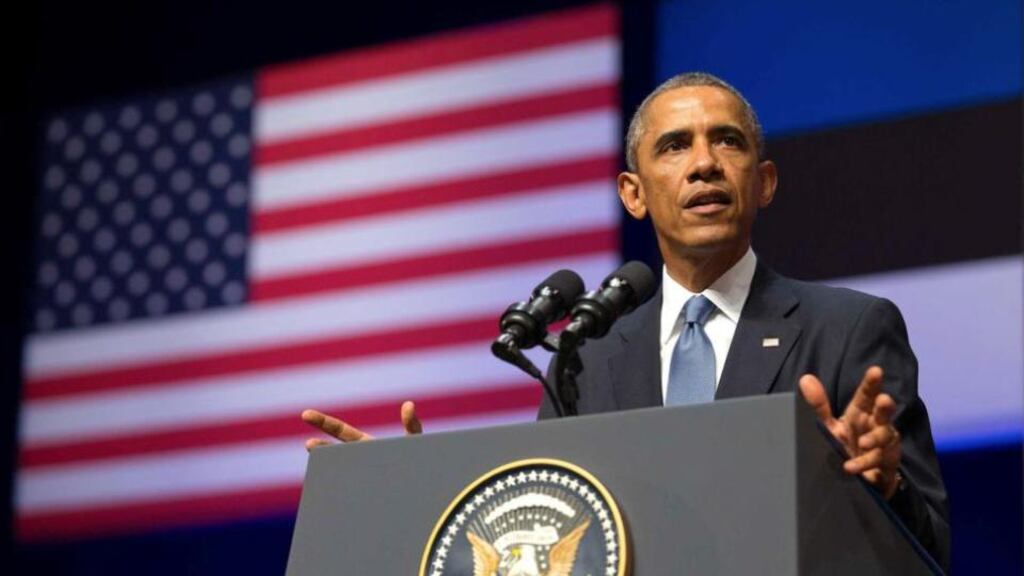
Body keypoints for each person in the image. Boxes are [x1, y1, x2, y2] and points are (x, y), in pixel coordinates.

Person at [301, 72, 950, 570]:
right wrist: (415, 498)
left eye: (728, 141)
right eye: (675, 146)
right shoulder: (589, 358)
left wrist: (886, 485)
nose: (704, 163)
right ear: (634, 194)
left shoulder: (849, 327)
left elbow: (933, 550)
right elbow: (554, 529)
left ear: (765, 182)